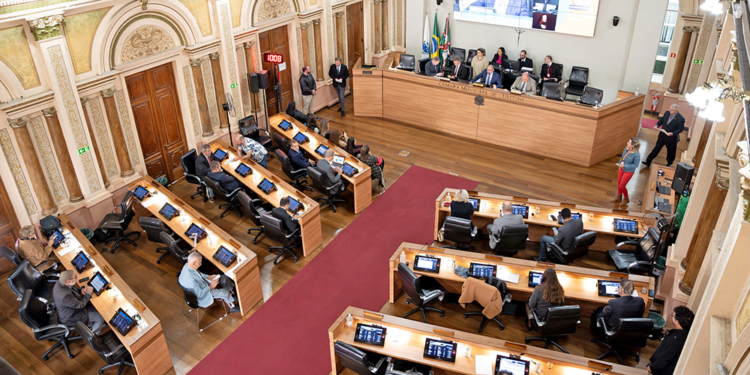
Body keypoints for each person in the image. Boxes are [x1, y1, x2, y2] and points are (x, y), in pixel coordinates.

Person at [647, 306, 694, 375]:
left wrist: (652, 368)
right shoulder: (686, 335)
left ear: (677, 322)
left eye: (673, 315)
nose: (672, 316)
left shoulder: (672, 341)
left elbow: (663, 359)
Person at [612, 138, 641, 208]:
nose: (627, 143)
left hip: (629, 171)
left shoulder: (637, 155)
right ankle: (619, 197)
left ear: (633, 145)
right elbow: (622, 157)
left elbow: (635, 165)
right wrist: (620, 164)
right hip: (621, 168)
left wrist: (625, 165)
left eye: (629, 142)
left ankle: (626, 199)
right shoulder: (626, 149)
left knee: (622, 186)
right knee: (619, 183)